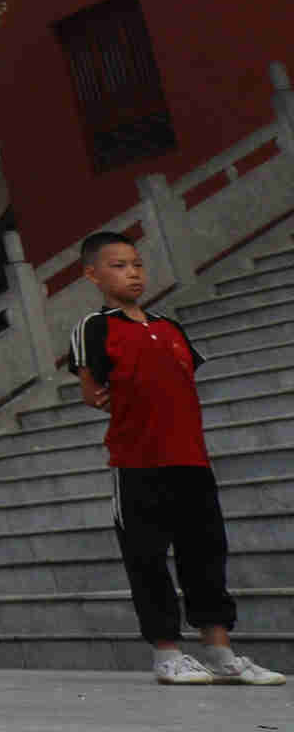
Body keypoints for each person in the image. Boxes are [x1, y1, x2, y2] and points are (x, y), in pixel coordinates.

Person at [72, 233, 283, 687]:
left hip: (191, 461)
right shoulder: (95, 327)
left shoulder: (169, 327)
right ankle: (167, 653)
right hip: (136, 464)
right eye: (119, 266)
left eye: (137, 264)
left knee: (206, 555)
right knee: (146, 559)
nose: (133, 273)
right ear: (92, 274)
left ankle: (220, 651)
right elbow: (92, 391)